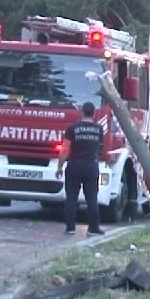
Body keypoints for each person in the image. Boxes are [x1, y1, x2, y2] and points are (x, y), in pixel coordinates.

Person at [56, 101, 105, 236]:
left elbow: (65, 149)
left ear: (81, 111)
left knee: (71, 197)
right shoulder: (99, 129)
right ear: (94, 113)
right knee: (92, 198)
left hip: (74, 165)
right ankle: (94, 227)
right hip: (91, 165)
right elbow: (100, 149)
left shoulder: (72, 128)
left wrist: (59, 167)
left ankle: (70, 227)